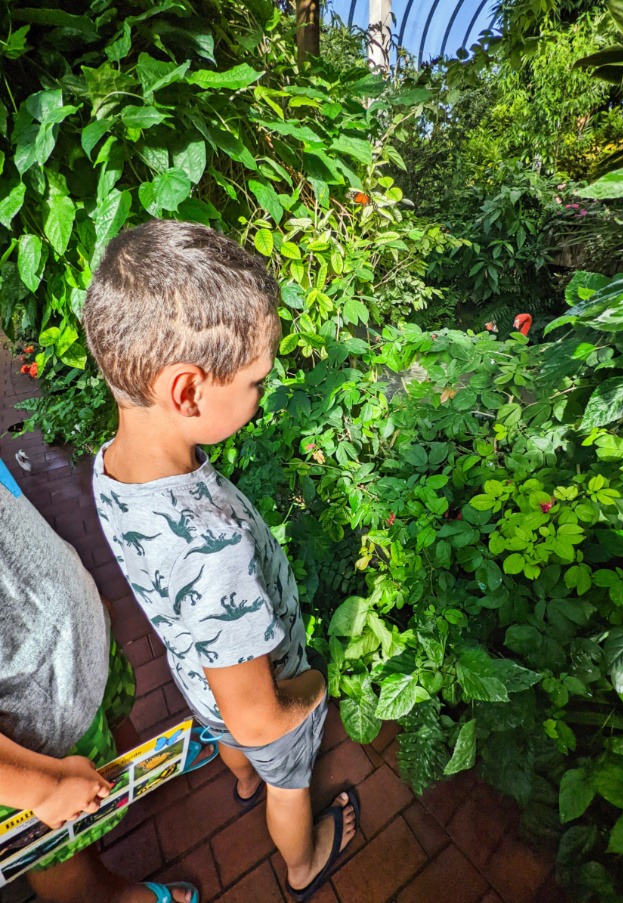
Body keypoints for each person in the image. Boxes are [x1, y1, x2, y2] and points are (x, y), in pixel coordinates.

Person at [84, 219, 360, 903]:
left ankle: (239, 778)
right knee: (284, 775)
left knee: (231, 737)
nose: (262, 395)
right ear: (186, 391)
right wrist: (316, 686)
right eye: (257, 381)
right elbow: (260, 718)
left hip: (200, 672)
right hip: (257, 690)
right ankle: (303, 861)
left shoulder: (116, 467)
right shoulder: (214, 555)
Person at [0, 457, 198, 903]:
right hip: (33, 734)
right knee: (53, 853)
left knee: (118, 727)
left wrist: (76, 581)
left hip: (77, 649)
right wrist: (42, 786)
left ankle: (143, 782)